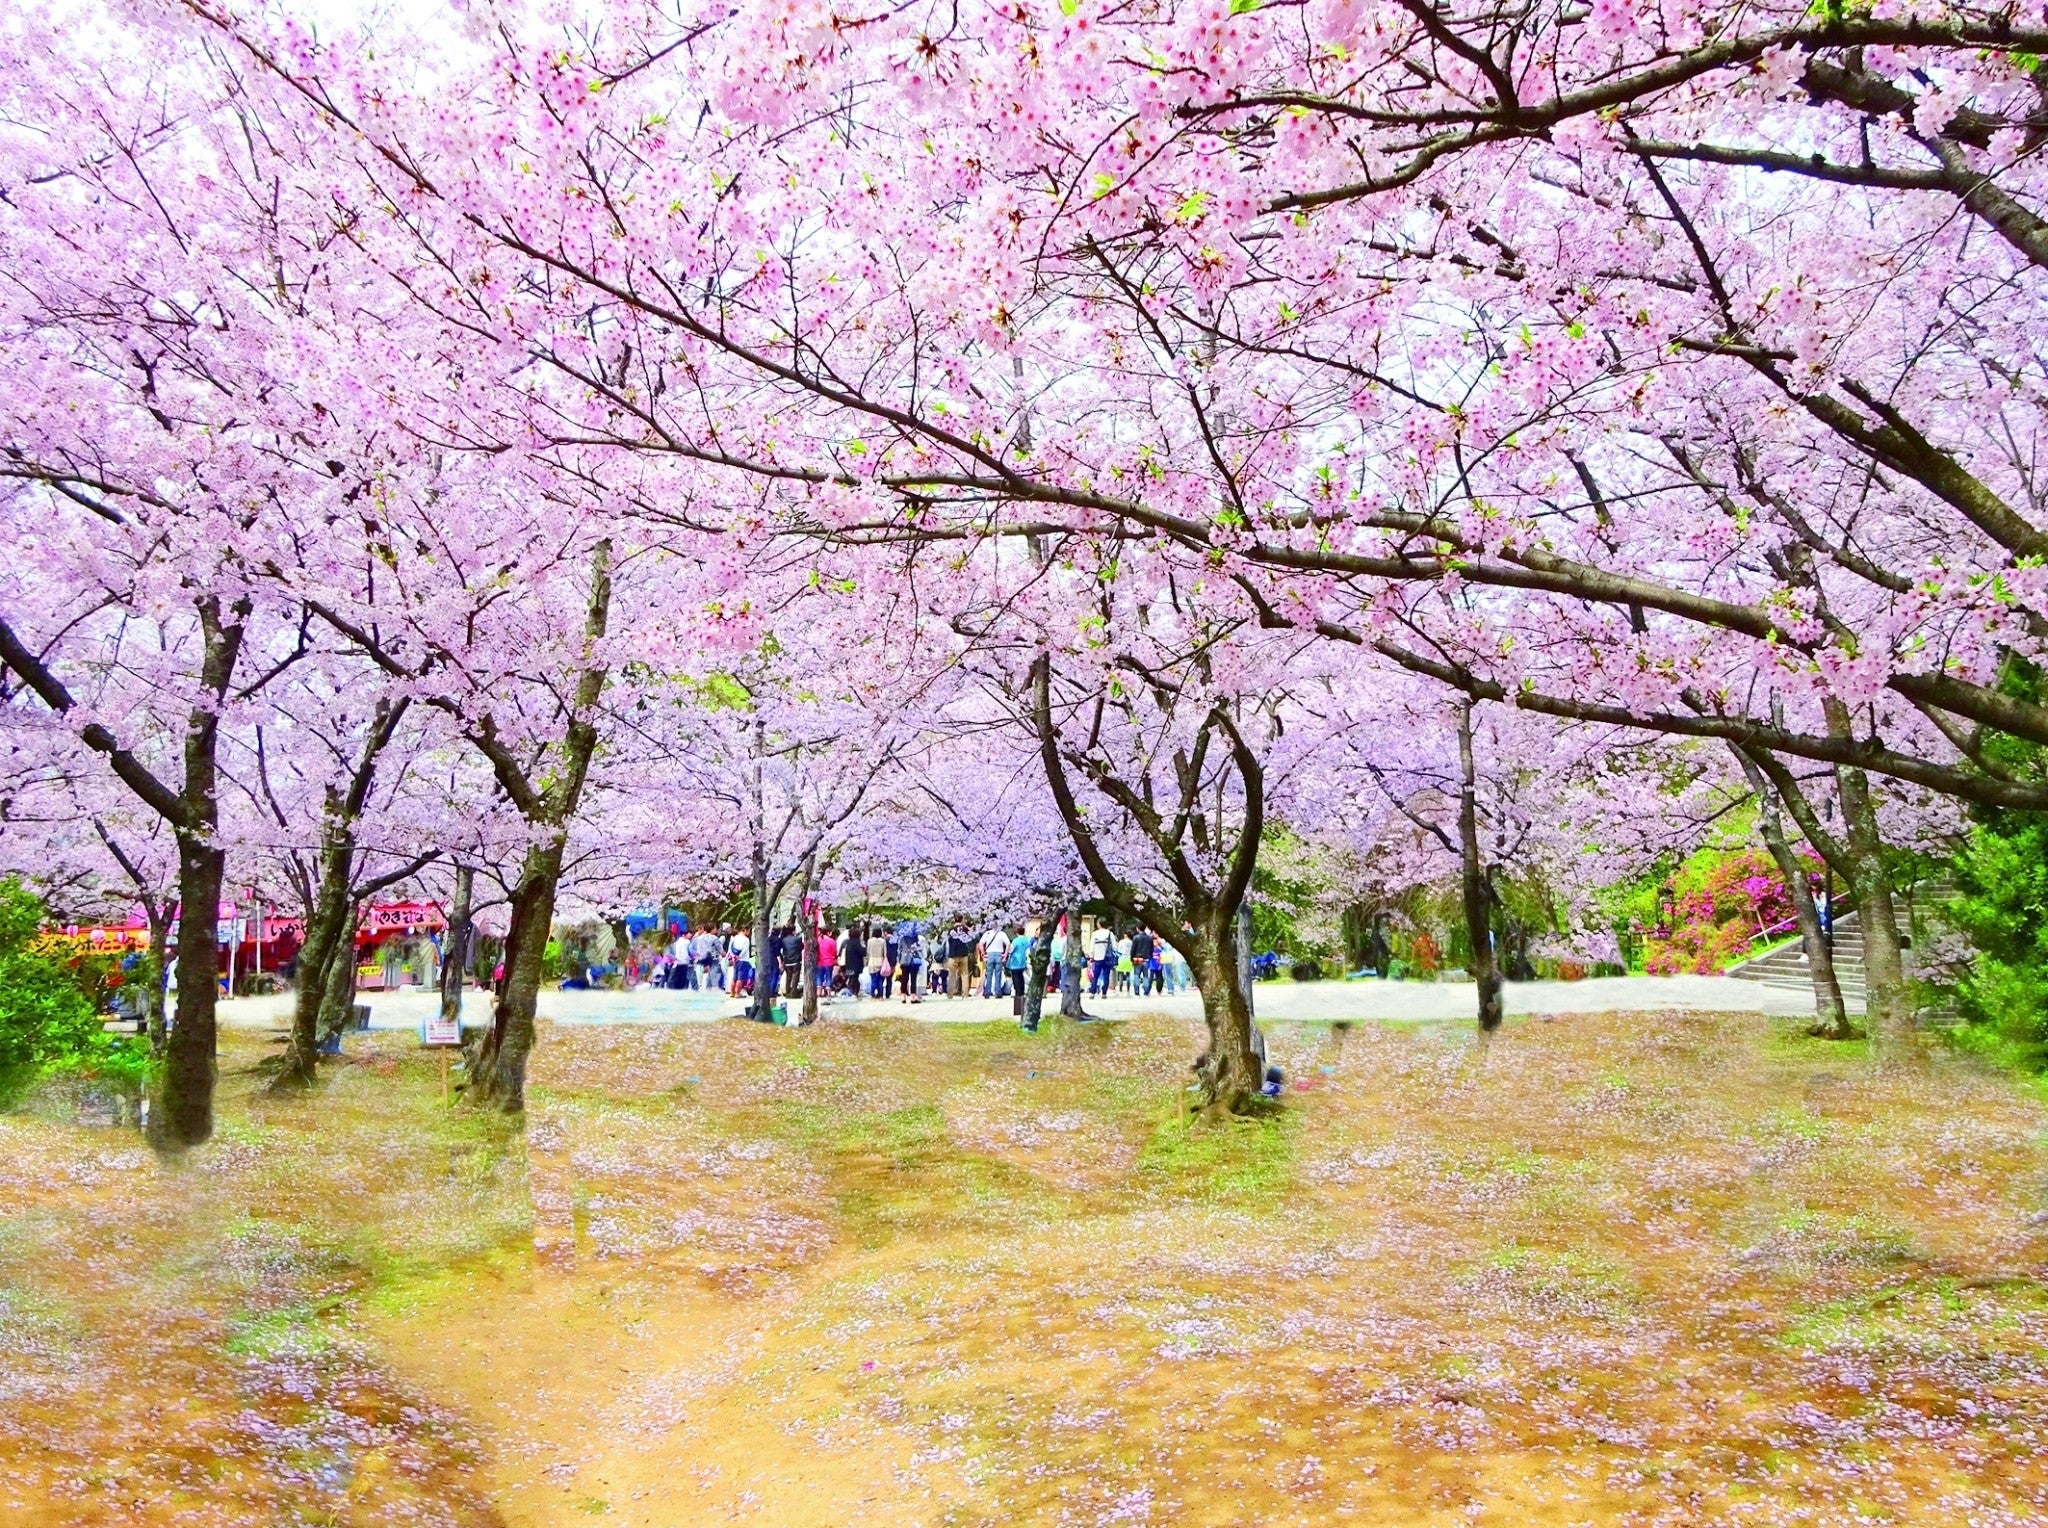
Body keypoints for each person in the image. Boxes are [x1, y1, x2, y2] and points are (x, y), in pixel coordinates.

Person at [1006, 924, 1034, 1021]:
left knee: (1015, 978)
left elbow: (1010, 950)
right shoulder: (1026, 940)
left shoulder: (1015, 941)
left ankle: (1018, 992)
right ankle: (1022, 991)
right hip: (1022, 961)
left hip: (1015, 961)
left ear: (1017, 932)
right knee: (1021, 977)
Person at [896, 919, 923, 1001]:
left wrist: (899, 960)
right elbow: (919, 949)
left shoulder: (902, 939)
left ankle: (903, 996)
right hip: (914, 960)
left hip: (904, 960)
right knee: (913, 979)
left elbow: (899, 950)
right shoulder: (916, 938)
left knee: (904, 978)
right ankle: (913, 997)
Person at [982, 921, 1011, 998]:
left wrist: (983, 954)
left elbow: (981, 943)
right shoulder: (1002, 934)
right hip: (999, 954)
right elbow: (1008, 944)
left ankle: (987, 992)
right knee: (998, 974)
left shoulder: (987, 934)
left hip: (989, 954)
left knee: (989, 974)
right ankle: (998, 992)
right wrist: (1005, 954)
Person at [945, 920, 973, 999]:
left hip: (953, 955)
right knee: (965, 976)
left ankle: (950, 994)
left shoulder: (951, 929)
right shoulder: (965, 929)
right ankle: (965, 995)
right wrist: (965, 926)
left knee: (951, 976)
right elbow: (972, 934)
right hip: (963, 955)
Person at [1088, 920, 1114, 998]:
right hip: (1107, 958)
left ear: (1099, 924)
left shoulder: (1095, 934)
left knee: (1095, 976)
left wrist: (1091, 956)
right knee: (1106, 975)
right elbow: (1114, 946)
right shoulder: (1110, 933)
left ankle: (1093, 992)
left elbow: (1092, 946)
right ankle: (1104, 993)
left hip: (1097, 957)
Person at [866, 923, 890, 999]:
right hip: (880, 961)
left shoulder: (869, 941)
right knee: (880, 980)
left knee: (873, 979)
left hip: (872, 961)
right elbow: (885, 953)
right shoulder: (883, 941)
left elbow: (868, 952)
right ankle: (880, 995)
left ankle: (872, 995)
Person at [1130, 927, 1155, 997]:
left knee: (1136, 975)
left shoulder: (1136, 938)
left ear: (1138, 928)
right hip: (1146, 958)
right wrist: (1150, 956)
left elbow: (1133, 949)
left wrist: (1131, 958)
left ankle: (1137, 992)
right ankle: (1146, 991)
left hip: (1137, 959)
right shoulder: (1149, 938)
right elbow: (1151, 949)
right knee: (1146, 976)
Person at [727, 926, 752, 995]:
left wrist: (733, 956)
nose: (749, 932)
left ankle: (732, 993)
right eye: (748, 931)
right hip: (743, 960)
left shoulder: (734, 938)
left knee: (734, 977)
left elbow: (730, 948)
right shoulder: (746, 939)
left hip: (735, 959)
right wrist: (739, 956)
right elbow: (745, 950)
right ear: (745, 930)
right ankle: (737, 993)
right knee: (740, 978)